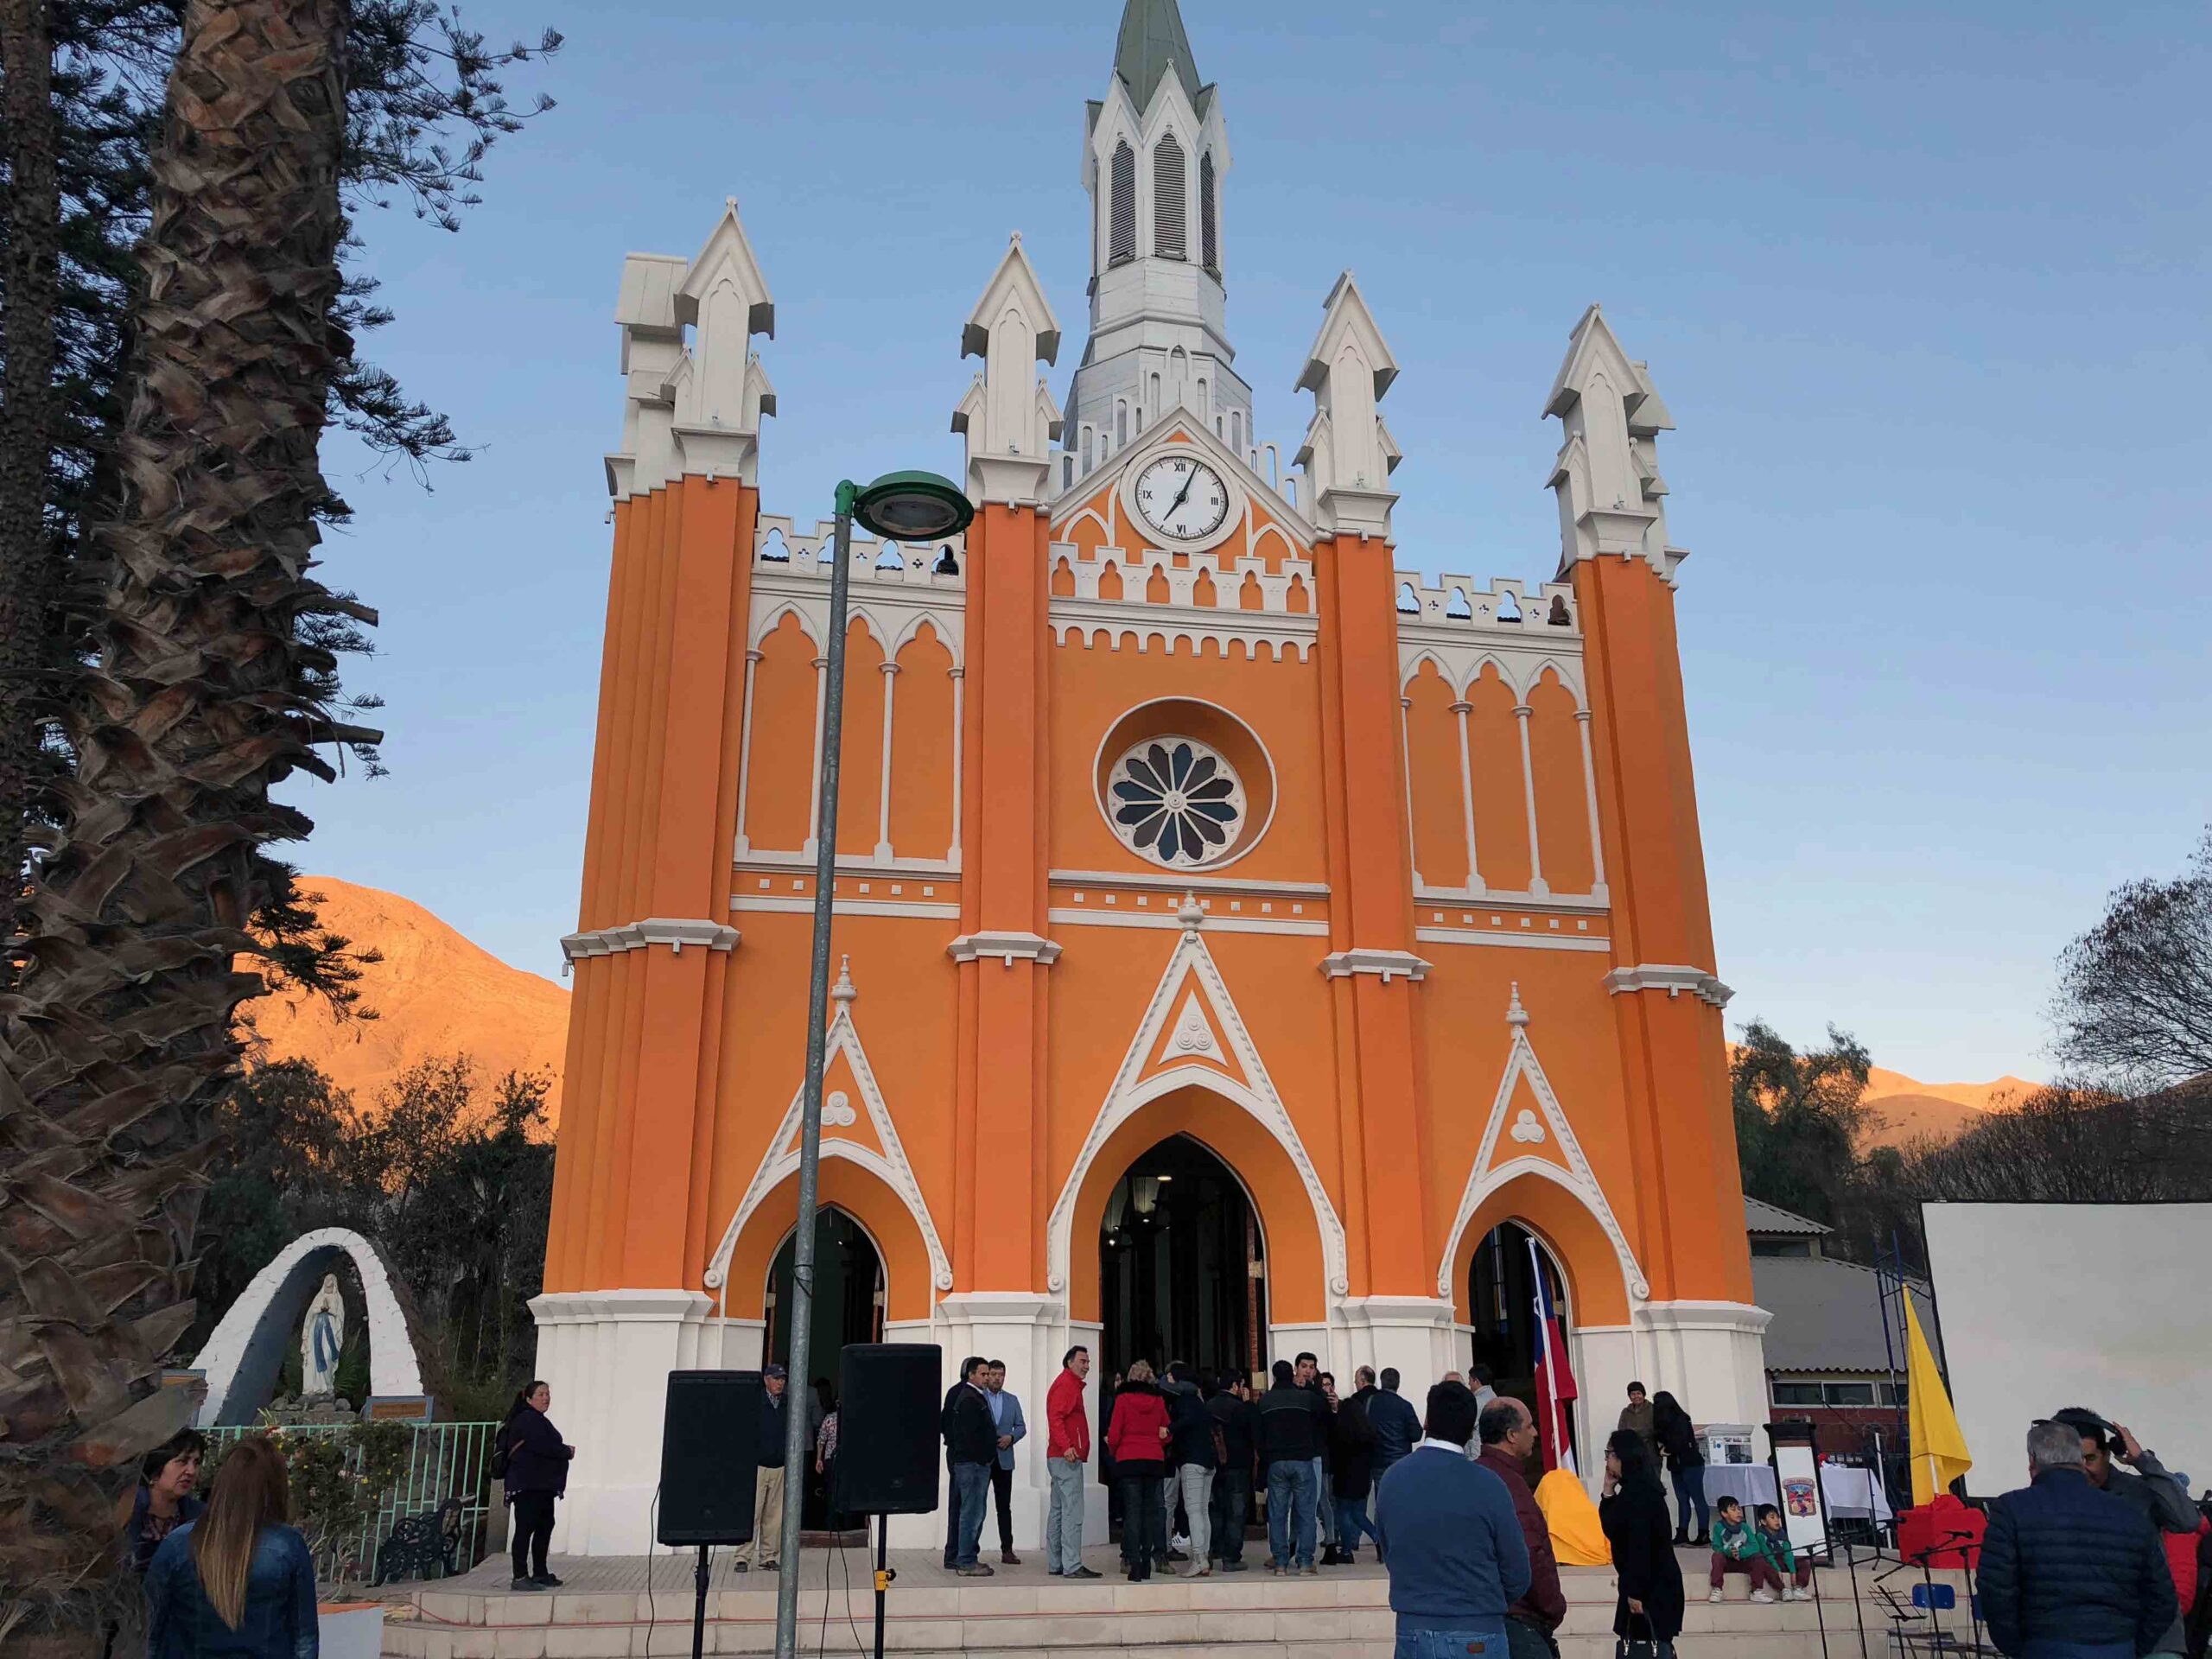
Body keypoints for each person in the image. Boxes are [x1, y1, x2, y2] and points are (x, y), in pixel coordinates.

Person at [1978, 1418, 2177, 1659]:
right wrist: (2134, 1647)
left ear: (2033, 1461)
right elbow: (2163, 1597)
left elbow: (1996, 1592)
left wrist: (2018, 1648)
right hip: (2117, 1646)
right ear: (2079, 1460)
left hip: (2044, 1645)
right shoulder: (2128, 1512)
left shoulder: (2011, 1508)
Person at [1373, 1379, 1532, 1659]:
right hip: (1477, 1628)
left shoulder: (1392, 1479)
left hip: (1414, 1628)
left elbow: (1389, 1550)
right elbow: (1517, 1571)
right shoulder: (1489, 1484)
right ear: (1472, 1432)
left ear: (1426, 1421)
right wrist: (1481, 1603)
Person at [145, 1436, 317, 1659]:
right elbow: (304, 1639)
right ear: (276, 1485)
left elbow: (148, 1630)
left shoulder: (178, 1544)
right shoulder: (288, 1545)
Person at [2055, 1409, 2199, 1656]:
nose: (2082, 1470)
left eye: (2089, 1459)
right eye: (2072, 1462)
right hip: (2083, 1638)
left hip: (2153, 1637)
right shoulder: (2047, 1500)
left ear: (2108, 1454)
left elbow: (2187, 1521)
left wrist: (2143, 1461)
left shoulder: (2140, 1491)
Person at [1474, 1397, 1568, 1659]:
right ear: (1512, 1435)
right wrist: (1553, 1606)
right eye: (1530, 1426)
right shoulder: (1508, 1485)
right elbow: (1530, 1553)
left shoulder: (1478, 1476)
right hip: (1518, 1623)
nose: (1536, 1433)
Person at [1600, 1428, 1686, 1654]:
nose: (1607, 1460)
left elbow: (1641, 1548)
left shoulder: (1641, 1494)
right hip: (1643, 1584)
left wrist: (1635, 1593)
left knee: (1649, 1646)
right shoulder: (1633, 1490)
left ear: (1623, 1457)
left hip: (1650, 1588)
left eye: (1609, 1453)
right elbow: (1614, 1529)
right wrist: (1608, 1491)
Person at [499, 1379, 575, 1589]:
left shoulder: (537, 1419)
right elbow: (543, 1445)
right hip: (527, 1486)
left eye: (547, 1394)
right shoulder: (527, 1419)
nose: (546, 1398)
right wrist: (566, 1452)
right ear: (529, 1398)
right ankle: (520, 1576)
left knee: (544, 1526)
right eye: (541, 1394)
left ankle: (540, 1572)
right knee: (525, 1528)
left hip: (542, 1486)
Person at [1261, 1357, 1331, 1574]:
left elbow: (1258, 1433)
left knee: (1278, 1514)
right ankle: (1305, 1562)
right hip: (1302, 1460)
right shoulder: (1306, 1398)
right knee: (1306, 1513)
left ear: (1273, 1376)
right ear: (1291, 1373)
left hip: (1276, 1462)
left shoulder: (1265, 1401)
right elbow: (1326, 1413)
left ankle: (1281, 1562)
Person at [1104, 1358, 1171, 1582]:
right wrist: (1157, 1445)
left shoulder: (1123, 1400)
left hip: (1129, 1459)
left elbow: (1114, 1434)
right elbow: (1166, 1432)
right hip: (1153, 1459)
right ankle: (1147, 1561)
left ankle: (1133, 1563)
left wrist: (1115, 1452)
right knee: (1150, 1512)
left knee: (1132, 1512)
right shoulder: (1158, 1400)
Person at [1046, 1344, 1100, 1578]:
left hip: (1059, 1456)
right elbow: (1056, 1417)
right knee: (1072, 1512)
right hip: (1066, 1457)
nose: (1087, 1366)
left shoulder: (1067, 1384)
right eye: (1083, 1361)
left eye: (1088, 1362)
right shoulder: (1067, 1385)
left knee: (1058, 1510)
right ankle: (1072, 1565)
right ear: (1070, 1363)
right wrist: (1068, 1446)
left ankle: (1057, 1562)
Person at [941, 1355, 998, 1576]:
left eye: (989, 1374)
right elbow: (965, 1434)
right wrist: (983, 1457)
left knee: (967, 1510)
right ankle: (965, 1559)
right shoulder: (967, 1398)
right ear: (970, 1374)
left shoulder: (972, 1396)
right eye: (983, 1374)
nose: (987, 1378)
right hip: (970, 1464)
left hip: (969, 1462)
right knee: (971, 1512)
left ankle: (959, 1556)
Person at [125, 1432, 207, 1578]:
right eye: (183, 1461)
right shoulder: (127, 1510)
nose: (191, 1471)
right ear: (159, 1464)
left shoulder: (198, 1516)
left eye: (196, 1463)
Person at [1165, 1362, 1218, 1576]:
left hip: (1192, 1461)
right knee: (1203, 1510)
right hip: (1207, 1461)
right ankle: (1204, 1554)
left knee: (1194, 1511)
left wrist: (1168, 1428)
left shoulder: (1184, 1401)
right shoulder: (1198, 1400)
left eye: (1169, 1376)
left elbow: (1185, 1422)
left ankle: (1198, 1558)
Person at [1207, 1370, 1260, 1573]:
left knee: (1216, 1509)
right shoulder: (1241, 1408)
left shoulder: (1209, 1405)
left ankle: (1215, 1548)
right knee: (1236, 1512)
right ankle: (1231, 1556)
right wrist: (1249, 1404)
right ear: (1236, 1386)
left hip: (1215, 1466)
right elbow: (1255, 1433)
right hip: (1238, 1466)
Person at [1332, 1367, 1382, 1565]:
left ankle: (1346, 1551)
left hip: (1344, 1478)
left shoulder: (1341, 1433)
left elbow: (1336, 1455)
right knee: (1359, 1514)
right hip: (1363, 1477)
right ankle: (1378, 1538)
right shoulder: (1367, 1433)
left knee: (1344, 1513)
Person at [984, 1358, 1027, 1567]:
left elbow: (1021, 1426)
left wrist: (1011, 1437)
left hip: (1004, 1460)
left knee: (1004, 1507)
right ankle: (970, 1550)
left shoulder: (1012, 1400)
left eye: (1001, 1375)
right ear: (987, 1375)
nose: (997, 1378)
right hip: (983, 1460)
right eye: (993, 1374)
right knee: (977, 1506)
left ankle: (1007, 1550)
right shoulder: (979, 1397)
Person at [1650, 1390, 1707, 1548]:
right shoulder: (1666, 1422)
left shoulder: (1681, 1419)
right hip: (1677, 1464)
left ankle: (1703, 1533)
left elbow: (1679, 1442)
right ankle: (1682, 1532)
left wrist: (1664, 1450)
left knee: (1697, 1498)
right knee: (1682, 1499)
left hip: (1690, 1463)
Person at [1299, 1354, 1338, 1558]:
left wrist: (1333, 1409)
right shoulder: (1294, 1392)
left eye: (1311, 1367)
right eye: (1304, 1366)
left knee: (1322, 1499)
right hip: (1301, 1454)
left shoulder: (1319, 1396)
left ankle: (1330, 1542)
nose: (1308, 1370)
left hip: (1318, 1454)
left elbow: (1331, 1428)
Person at [1708, 1494, 1782, 1603]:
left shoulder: (1745, 1527)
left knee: (1759, 1557)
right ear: (1724, 1513)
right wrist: (1729, 1551)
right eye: (1733, 1510)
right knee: (1717, 1556)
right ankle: (1717, 1589)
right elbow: (1716, 1546)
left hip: (1743, 1560)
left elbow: (1755, 1546)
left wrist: (1740, 1552)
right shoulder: (1719, 1527)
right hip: (1729, 1561)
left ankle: (1756, 1591)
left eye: (1739, 1509)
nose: (1738, 1512)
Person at [1369, 1369, 1423, 1486]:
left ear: (1381, 1382)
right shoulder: (1405, 1406)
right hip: (1401, 1460)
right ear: (1398, 1383)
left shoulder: (1370, 1402)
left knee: (1382, 1496)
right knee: (1401, 1496)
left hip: (1378, 1460)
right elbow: (1416, 1435)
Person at [1753, 1503, 1815, 1602]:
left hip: (1782, 1560)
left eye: (1778, 1517)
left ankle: (1798, 1588)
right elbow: (1767, 1554)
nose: (1777, 1520)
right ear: (1763, 1521)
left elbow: (1788, 1552)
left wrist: (1793, 1571)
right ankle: (1783, 1589)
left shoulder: (1782, 1533)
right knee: (1767, 1567)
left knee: (1804, 1563)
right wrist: (1777, 1568)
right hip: (1770, 1561)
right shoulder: (1760, 1535)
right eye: (1772, 1517)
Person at [813, 1383, 842, 1533]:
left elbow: (821, 1440)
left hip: (832, 1460)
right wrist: (819, 1460)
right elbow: (821, 1439)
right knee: (836, 1493)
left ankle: (832, 1524)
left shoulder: (830, 1418)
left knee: (832, 1492)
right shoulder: (832, 1419)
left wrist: (819, 1459)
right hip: (835, 1461)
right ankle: (837, 1524)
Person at [1618, 1382, 1659, 1471]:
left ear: (1643, 1394)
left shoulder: (1653, 1409)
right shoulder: (1625, 1412)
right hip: (1632, 1456)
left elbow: (1654, 1429)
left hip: (1651, 1454)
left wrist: (1634, 1434)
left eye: (1638, 1393)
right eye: (1633, 1394)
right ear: (1629, 1396)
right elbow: (1621, 1431)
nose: (1636, 1396)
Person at [1465, 1368, 1498, 1461]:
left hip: (1477, 1452)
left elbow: (1466, 1426)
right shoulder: (1493, 1396)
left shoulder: (1477, 1402)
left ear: (1476, 1381)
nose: (1469, 1384)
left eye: (1470, 1380)